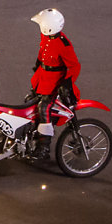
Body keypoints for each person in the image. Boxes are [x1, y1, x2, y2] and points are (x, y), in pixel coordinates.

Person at [28, 8, 81, 160]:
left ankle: (43, 146)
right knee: (30, 104)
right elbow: (42, 50)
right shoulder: (46, 36)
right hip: (42, 78)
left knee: (44, 108)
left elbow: (74, 66)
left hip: (53, 82)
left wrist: (67, 83)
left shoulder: (63, 44)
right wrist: (38, 63)